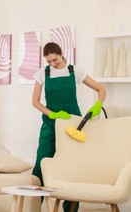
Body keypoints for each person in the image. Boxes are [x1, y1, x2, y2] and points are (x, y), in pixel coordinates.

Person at [32, 42, 106, 212]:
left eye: (55, 60)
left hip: (73, 125)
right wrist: (51, 114)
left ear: (61, 53)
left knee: (71, 167)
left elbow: (101, 89)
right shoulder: (42, 73)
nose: (52, 64)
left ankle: (70, 209)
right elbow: (35, 102)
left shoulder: (75, 71)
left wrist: (97, 105)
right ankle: (33, 206)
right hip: (50, 125)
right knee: (41, 164)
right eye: (49, 61)